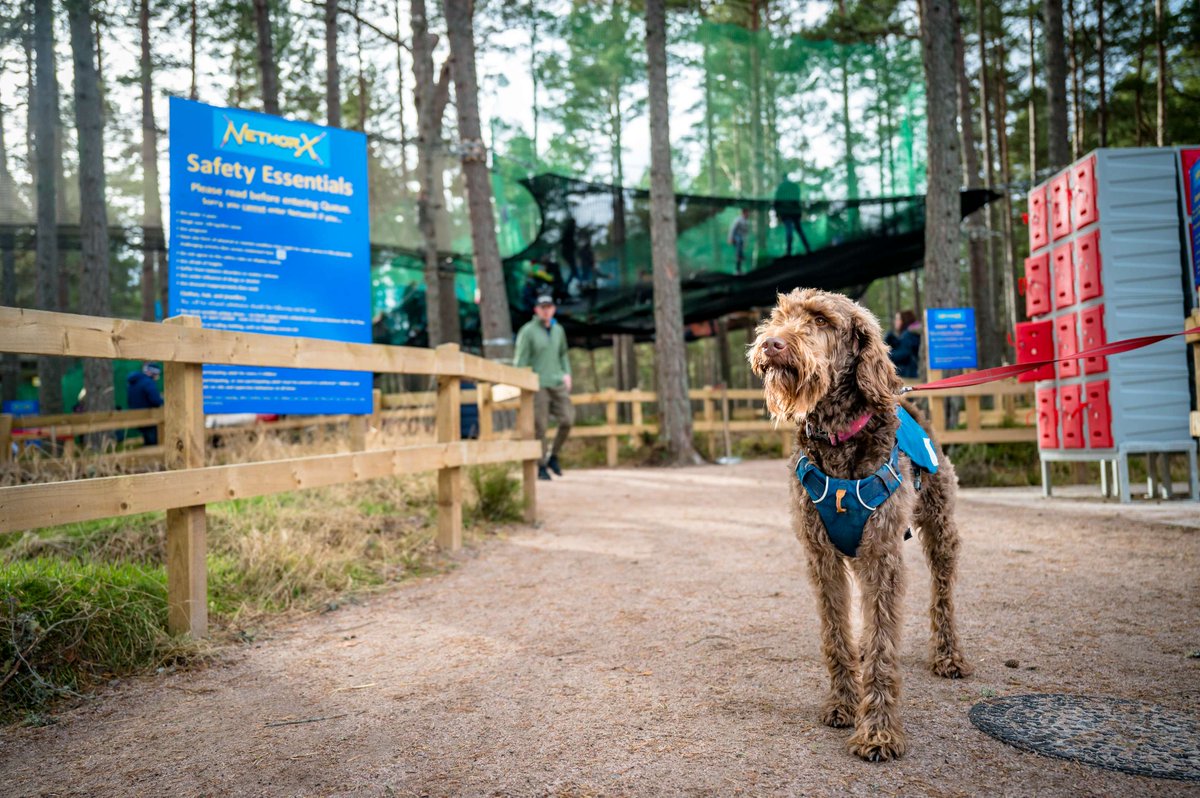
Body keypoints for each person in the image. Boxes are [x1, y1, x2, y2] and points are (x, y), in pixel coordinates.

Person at [514, 294, 574, 481]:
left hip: (557, 382)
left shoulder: (558, 330)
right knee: (540, 426)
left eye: (549, 307)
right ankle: (540, 466)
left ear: (553, 309)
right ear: (536, 310)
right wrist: (523, 382)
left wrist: (567, 373)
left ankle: (553, 456)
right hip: (537, 384)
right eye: (542, 307)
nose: (546, 310)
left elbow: (563, 354)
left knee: (567, 419)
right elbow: (520, 360)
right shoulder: (528, 331)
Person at [126, 362, 164, 445]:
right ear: (152, 373)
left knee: (147, 441)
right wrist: (162, 400)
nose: (157, 378)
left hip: (137, 417)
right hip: (149, 417)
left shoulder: (134, 382)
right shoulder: (148, 382)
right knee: (153, 443)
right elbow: (155, 401)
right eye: (156, 375)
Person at [774, 175, 811, 256]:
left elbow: (776, 201)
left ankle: (789, 251)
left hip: (787, 213)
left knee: (789, 230)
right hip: (795, 212)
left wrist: (777, 213)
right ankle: (807, 248)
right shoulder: (794, 187)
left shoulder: (781, 188)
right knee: (799, 230)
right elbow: (797, 198)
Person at [885, 310, 922, 379]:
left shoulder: (908, 335)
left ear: (905, 320)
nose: (895, 322)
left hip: (910, 374)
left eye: (898, 319)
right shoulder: (912, 333)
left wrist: (885, 353)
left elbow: (904, 353)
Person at [727, 208, 750, 274]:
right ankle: (738, 267)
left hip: (741, 238)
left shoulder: (746, 221)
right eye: (747, 213)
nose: (748, 214)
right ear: (744, 213)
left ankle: (740, 262)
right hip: (736, 236)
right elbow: (732, 229)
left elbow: (745, 233)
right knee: (738, 250)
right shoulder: (738, 220)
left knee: (741, 250)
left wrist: (746, 241)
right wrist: (730, 238)